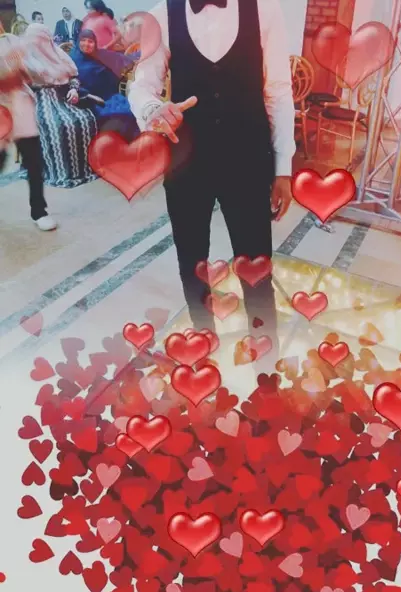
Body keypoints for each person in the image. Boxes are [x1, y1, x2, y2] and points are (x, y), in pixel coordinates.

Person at [128, 0, 295, 352]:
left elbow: (278, 90)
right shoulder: (161, 15)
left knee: (256, 268)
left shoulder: (265, 10)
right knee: (192, 264)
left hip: (248, 160)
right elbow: (141, 85)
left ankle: (266, 361)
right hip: (186, 164)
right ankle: (202, 349)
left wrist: (283, 167)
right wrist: (153, 108)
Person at [22, 23, 97, 188]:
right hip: (39, 100)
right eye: (36, 39)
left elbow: (73, 77)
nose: (39, 43)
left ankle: (85, 168)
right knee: (59, 125)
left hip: (64, 96)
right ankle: (62, 171)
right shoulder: (23, 59)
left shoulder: (58, 55)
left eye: (43, 39)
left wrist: (74, 90)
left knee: (85, 119)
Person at [0, 33, 56, 230]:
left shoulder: (12, 41)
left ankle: (39, 211)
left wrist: (24, 68)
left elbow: (39, 72)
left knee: (34, 163)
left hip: (21, 108)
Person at [71, 30, 139, 141]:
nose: (86, 44)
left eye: (90, 41)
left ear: (95, 44)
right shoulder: (72, 60)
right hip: (88, 99)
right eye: (83, 40)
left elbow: (119, 61)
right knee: (113, 117)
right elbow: (71, 83)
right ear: (78, 41)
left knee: (129, 110)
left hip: (109, 95)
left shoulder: (100, 55)